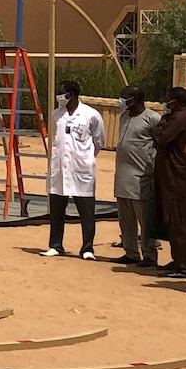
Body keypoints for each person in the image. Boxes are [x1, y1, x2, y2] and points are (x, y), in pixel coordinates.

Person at [41, 80, 104, 259]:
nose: (59, 97)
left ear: (72, 95)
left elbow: (99, 140)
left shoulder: (91, 115)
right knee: (57, 209)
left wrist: (86, 157)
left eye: (62, 93)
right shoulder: (56, 115)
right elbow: (54, 138)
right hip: (59, 168)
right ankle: (56, 245)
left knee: (86, 211)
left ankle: (87, 249)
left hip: (81, 168)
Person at [153, 87, 186, 280]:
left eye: (168, 100)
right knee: (175, 221)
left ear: (175, 101)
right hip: (176, 176)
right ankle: (179, 261)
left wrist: (163, 120)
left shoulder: (181, 118)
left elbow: (160, 138)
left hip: (180, 177)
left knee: (182, 221)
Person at [112, 85, 162, 268]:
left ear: (135, 99)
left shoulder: (152, 118)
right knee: (126, 219)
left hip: (142, 176)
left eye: (124, 98)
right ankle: (130, 252)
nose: (121, 101)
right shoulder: (124, 116)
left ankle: (149, 254)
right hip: (123, 176)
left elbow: (160, 143)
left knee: (145, 219)